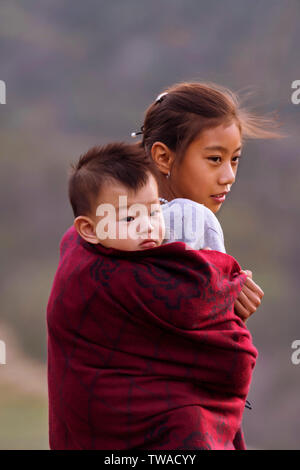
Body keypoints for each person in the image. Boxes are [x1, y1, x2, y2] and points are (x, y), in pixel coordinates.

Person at [47, 142, 257, 450]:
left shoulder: (83, 245)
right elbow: (200, 294)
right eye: (129, 219)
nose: (148, 227)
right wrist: (230, 280)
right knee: (188, 425)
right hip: (122, 426)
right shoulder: (110, 276)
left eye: (154, 211)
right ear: (88, 229)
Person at [134, 81, 279, 320]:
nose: (229, 177)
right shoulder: (191, 217)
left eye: (234, 159)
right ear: (163, 157)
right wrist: (227, 306)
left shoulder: (109, 218)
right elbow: (201, 334)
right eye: (214, 158)